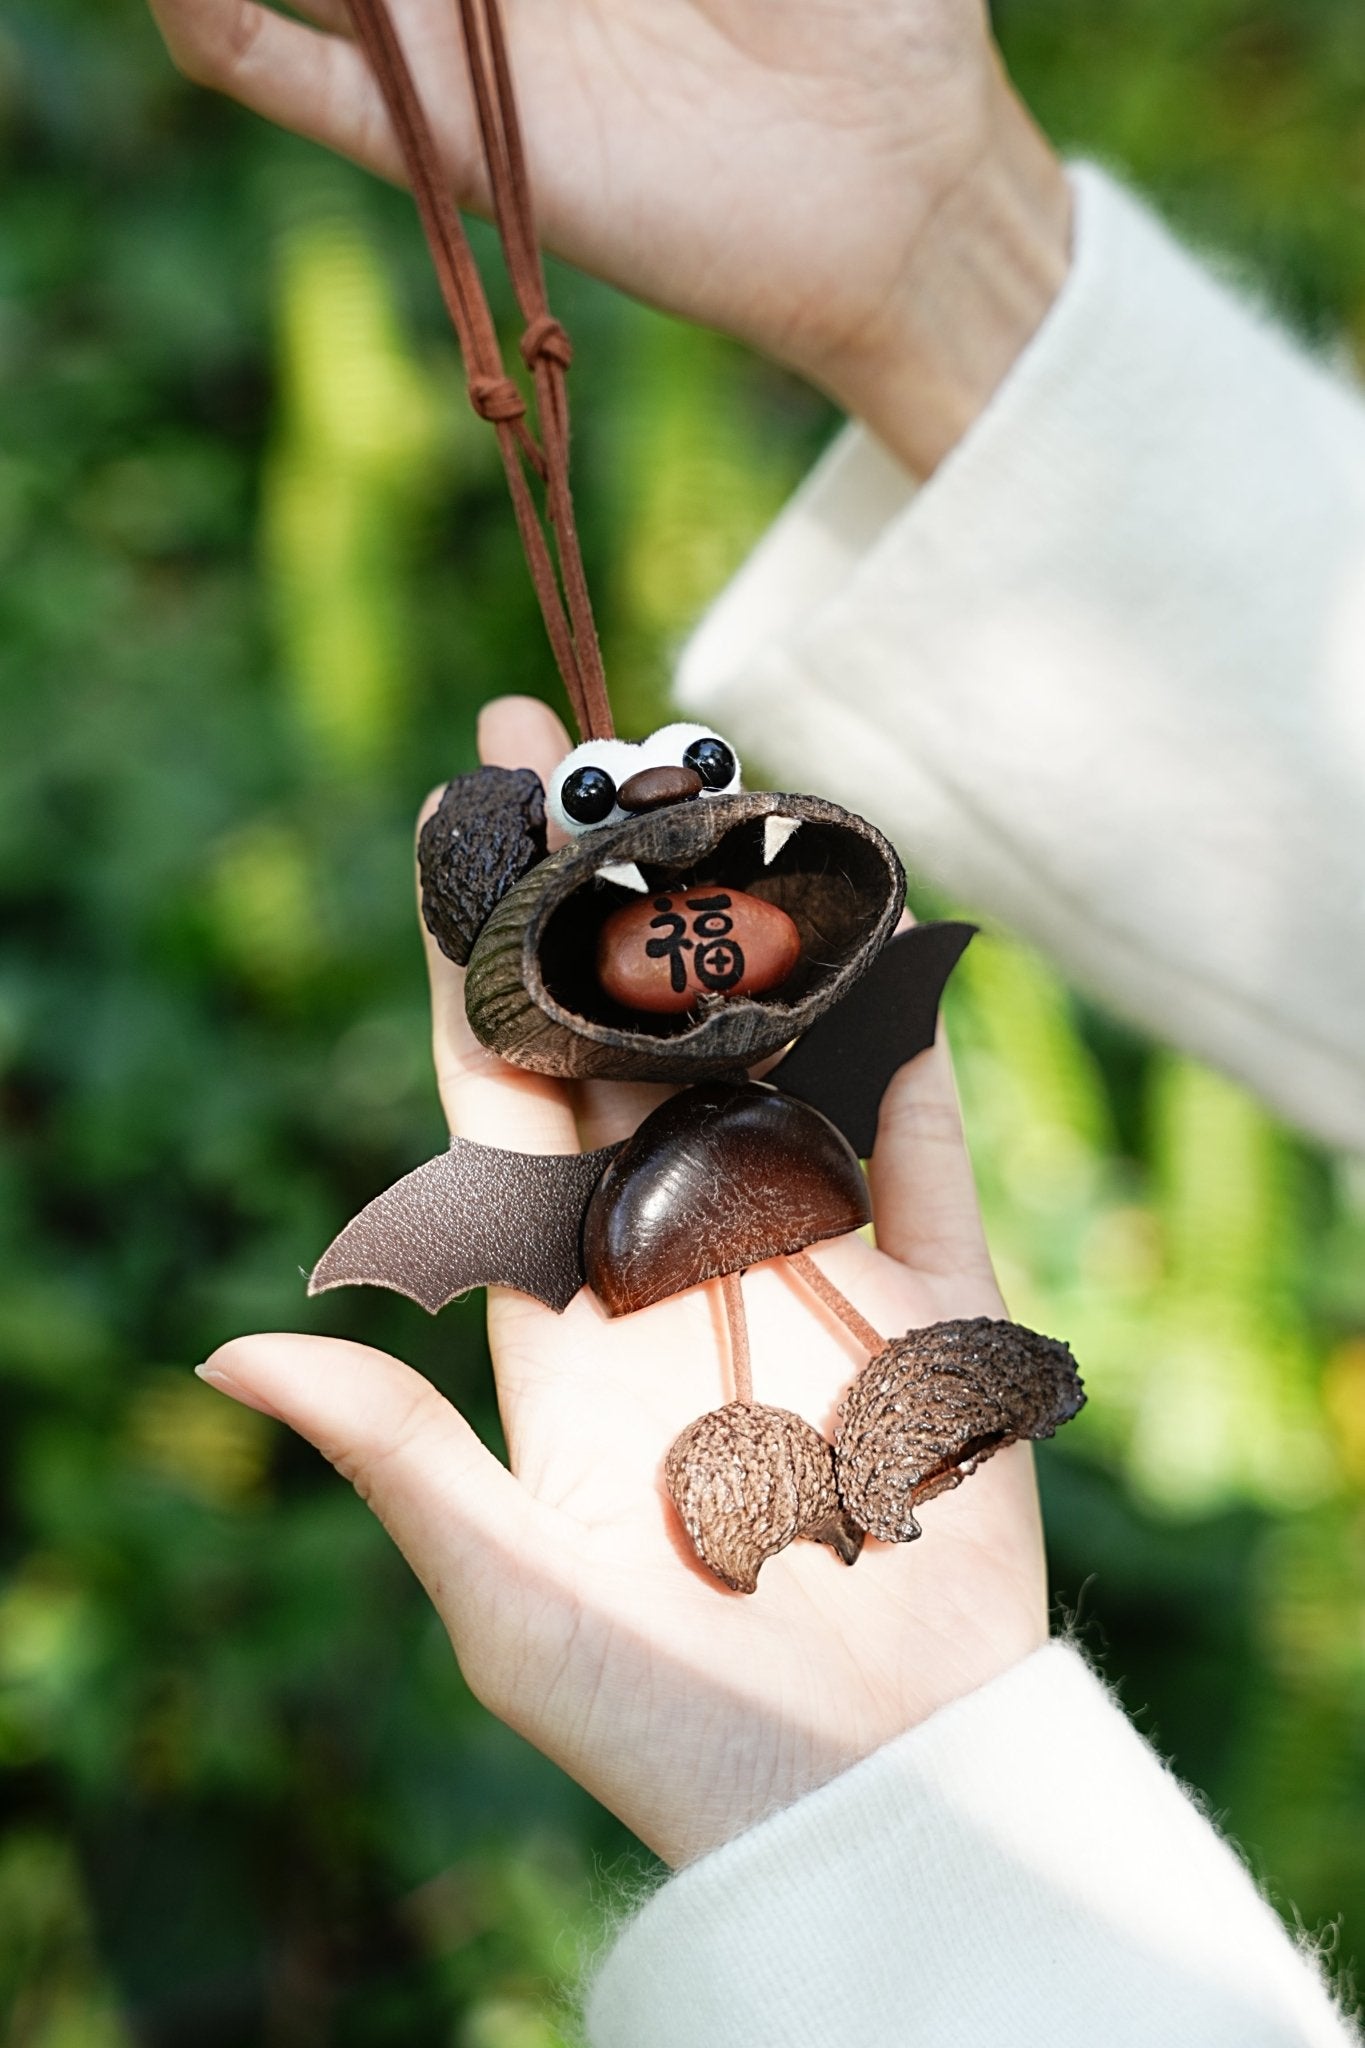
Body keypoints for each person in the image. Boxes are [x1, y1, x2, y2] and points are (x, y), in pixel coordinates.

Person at [148, 2, 1365, 2042]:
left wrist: (902, 1806)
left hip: (780, 1211)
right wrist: (954, 265)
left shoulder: (772, 969)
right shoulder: (602, 996)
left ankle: (866, 1448)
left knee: (794, 1298)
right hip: (689, 1217)